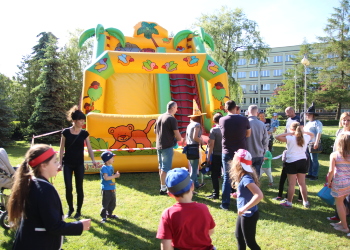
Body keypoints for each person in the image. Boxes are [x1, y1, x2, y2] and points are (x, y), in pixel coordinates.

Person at [8, 144, 91, 250]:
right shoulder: (44, 190)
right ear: (43, 165)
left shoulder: (32, 183)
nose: (59, 164)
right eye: (55, 161)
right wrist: (80, 225)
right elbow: (53, 227)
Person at [156, 168, 216, 250]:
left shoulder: (168, 213)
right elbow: (211, 231)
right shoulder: (203, 208)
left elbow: (166, 246)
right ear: (192, 186)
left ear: (170, 194)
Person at [59, 105, 96, 219]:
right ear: (74, 120)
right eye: (81, 120)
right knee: (68, 188)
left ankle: (79, 211)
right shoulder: (65, 132)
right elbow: (61, 149)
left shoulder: (84, 133)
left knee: (79, 188)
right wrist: (60, 163)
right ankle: (70, 209)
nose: (82, 122)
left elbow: (89, 148)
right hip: (68, 164)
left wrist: (93, 159)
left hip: (79, 164)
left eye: (83, 120)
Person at [219, 100, 251, 210]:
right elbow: (248, 134)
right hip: (240, 153)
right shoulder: (243, 119)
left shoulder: (222, 120)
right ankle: (243, 201)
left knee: (227, 178)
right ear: (235, 108)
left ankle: (225, 204)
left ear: (226, 108)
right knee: (242, 176)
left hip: (226, 151)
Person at [229, 149, 263, 250]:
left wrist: (244, 208)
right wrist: (238, 194)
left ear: (238, 164)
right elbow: (247, 192)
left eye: (234, 160)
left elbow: (259, 195)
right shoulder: (243, 176)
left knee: (250, 242)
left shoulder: (246, 178)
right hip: (244, 213)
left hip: (249, 214)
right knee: (239, 236)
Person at [275, 122, 314, 208]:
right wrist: (303, 132)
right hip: (303, 161)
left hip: (292, 162)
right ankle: (305, 202)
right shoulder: (306, 137)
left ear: (292, 129)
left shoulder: (290, 138)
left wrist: (290, 133)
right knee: (302, 183)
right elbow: (312, 134)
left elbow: (277, 137)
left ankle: (289, 202)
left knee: (292, 184)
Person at [155, 101, 182, 195]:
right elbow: (177, 134)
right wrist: (180, 139)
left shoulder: (160, 117)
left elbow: (155, 131)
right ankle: (163, 189)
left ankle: (163, 186)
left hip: (159, 145)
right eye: (176, 108)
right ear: (173, 108)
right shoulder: (171, 119)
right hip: (167, 146)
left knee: (161, 168)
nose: (177, 110)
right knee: (165, 168)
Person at [328, 133, 350, 234]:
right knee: (343, 202)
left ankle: (345, 227)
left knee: (339, 204)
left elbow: (331, 171)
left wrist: (328, 182)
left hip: (339, 182)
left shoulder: (335, 154)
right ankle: (342, 222)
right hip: (349, 182)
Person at [182, 100, 206, 190]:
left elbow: (186, 137)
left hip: (189, 147)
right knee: (194, 169)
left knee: (193, 167)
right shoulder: (197, 125)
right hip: (193, 147)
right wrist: (201, 141)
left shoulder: (190, 124)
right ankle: (190, 188)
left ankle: (196, 184)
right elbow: (195, 137)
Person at [247, 105, 269, 177]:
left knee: (247, 177)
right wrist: (264, 152)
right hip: (259, 154)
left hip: (247, 154)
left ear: (248, 112)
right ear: (257, 113)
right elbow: (265, 140)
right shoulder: (262, 124)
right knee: (256, 177)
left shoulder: (245, 123)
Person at [304, 103, 323, 181]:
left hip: (313, 143)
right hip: (307, 144)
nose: (306, 115)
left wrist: (316, 142)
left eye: (308, 114)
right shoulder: (308, 123)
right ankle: (310, 173)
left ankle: (315, 175)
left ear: (312, 115)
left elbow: (319, 132)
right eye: (306, 114)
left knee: (314, 159)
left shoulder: (317, 123)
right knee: (309, 159)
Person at [100, 151, 120, 223]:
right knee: (105, 204)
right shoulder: (104, 168)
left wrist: (115, 174)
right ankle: (103, 217)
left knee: (112, 203)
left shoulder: (111, 166)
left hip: (112, 188)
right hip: (106, 189)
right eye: (112, 158)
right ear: (107, 160)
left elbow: (111, 175)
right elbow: (106, 178)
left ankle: (109, 214)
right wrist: (115, 176)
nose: (113, 159)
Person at [206, 113, 223, 199]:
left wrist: (208, 156)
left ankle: (215, 193)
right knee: (228, 175)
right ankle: (230, 191)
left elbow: (211, 145)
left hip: (216, 154)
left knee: (215, 175)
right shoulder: (226, 129)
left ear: (214, 121)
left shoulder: (214, 130)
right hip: (226, 154)